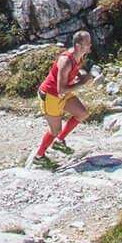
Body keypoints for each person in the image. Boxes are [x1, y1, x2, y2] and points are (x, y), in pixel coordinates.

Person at [31, 30, 94, 170]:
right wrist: (82, 83)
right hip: (50, 95)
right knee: (55, 130)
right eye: (87, 43)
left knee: (82, 114)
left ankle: (59, 143)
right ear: (78, 45)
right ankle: (39, 157)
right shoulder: (66, 61)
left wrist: (81, 77)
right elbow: (61, 89)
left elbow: (74, 72)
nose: (90, 45)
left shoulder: (79, 56)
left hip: (62, 94)